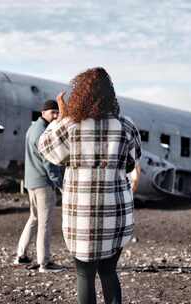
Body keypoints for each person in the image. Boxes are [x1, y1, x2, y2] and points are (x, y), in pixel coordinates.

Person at [39, 67, 142, 304]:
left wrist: (62, 118)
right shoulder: (126, 125)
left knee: (84, 274)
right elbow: (132, 162)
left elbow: (45, 148)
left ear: (80, 94)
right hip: (115, 213)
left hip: (80, 215)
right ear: (110, 95)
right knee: (108, 272)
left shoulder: (70, 125)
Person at [14, 99, 66, 273]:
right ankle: (45, 263)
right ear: (43, 113)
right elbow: (49, 162)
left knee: (34, 218)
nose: (56, 115)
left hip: (31, 181)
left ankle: (21, 255)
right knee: (44, 222)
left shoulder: (32, 129)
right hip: (43, 182)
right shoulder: (43, 132)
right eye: (53, 112)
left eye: (57, 112)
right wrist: (60, 184)